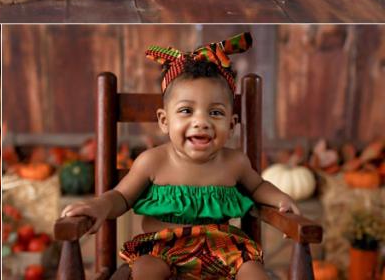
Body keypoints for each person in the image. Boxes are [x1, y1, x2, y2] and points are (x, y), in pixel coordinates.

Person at [61, 33, 299, 280]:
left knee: (254, 272)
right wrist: (97, 205)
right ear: (164, 121)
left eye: (215, 113)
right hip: (163, 251)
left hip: (222, 250)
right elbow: (121, 196)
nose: (201, 122)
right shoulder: (152, 162)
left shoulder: (235, 163)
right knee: (146, 270)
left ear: (231, 126)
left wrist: (280, 198)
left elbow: (258, 186)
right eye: (186, 110)